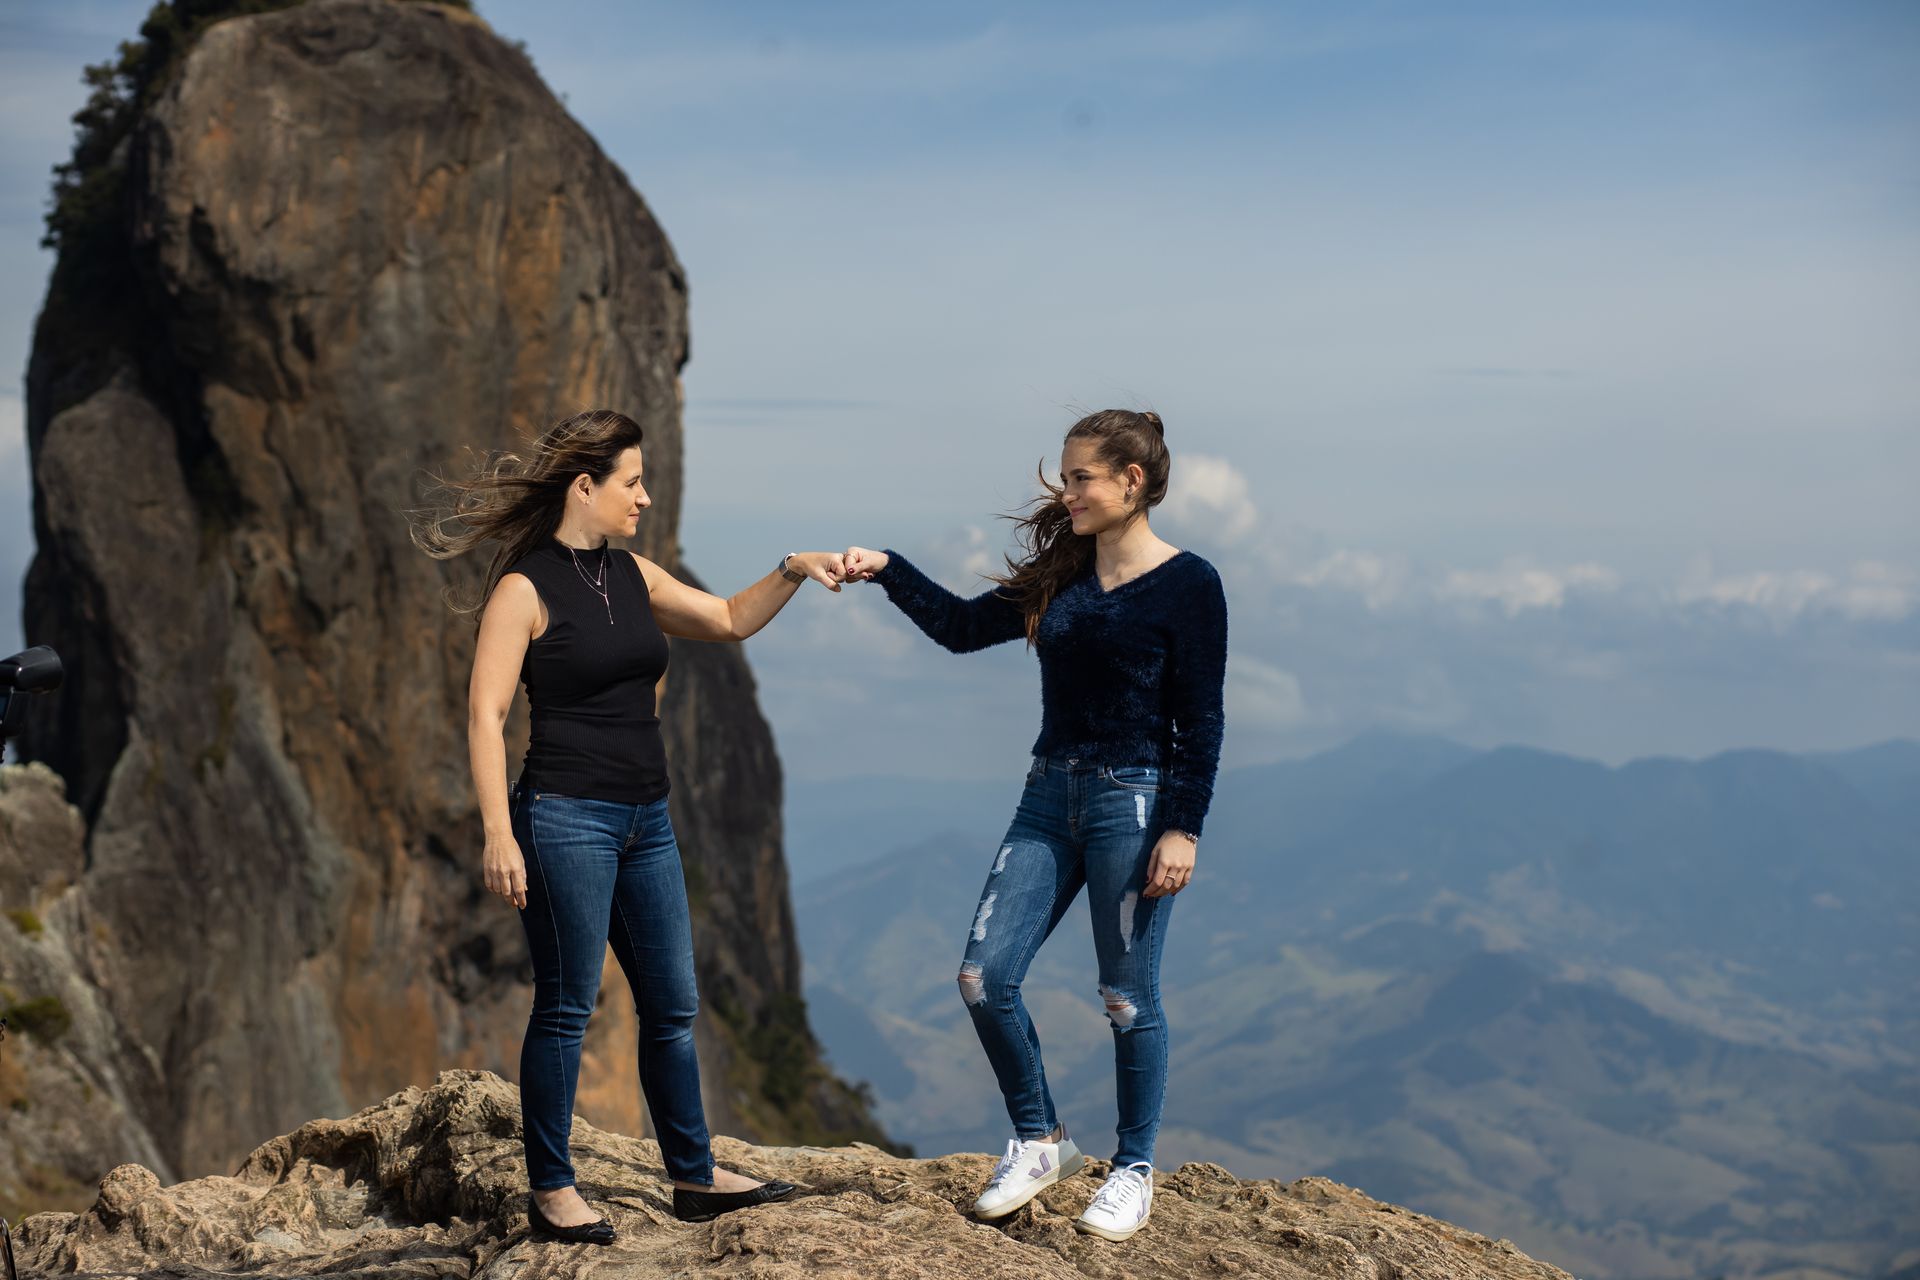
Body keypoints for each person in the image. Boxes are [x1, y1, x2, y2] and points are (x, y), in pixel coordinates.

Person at [413, 408, 845, 1244]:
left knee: (672, 1003)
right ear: (587, 487)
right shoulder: (524, 588)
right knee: (569, 1005)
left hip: (648, 818)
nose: (644, 497)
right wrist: (500, 835)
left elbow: (726, 619)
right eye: (632, 482)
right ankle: (552, 1188)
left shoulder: (636, 575)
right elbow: (485, 713)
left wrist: (795, 568)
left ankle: (692, 1174)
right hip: (564, 819)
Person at [841, 408, 1227, 1243]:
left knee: (1127, 997)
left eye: (1081, 476)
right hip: (1047, 797)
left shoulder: (1191, 584)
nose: (1066, 492)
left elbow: (1201, 720)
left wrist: (1183, 828)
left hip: (1135, 801)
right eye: (1065, 476)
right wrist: (886, 569)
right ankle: (1040, 1137)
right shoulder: (1061, 573)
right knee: (983, 977)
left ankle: (1132, 1170)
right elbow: (959, 627)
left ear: (1132, 479)